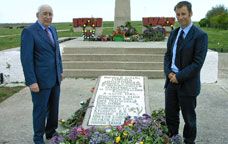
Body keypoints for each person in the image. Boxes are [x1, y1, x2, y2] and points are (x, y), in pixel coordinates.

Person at [164, 1, 208, 144]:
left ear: (190, 14)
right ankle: (173, 139)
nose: (180, 17)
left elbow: (197, 63)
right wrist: (169, 73)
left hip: (188, 84)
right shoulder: (174, 33)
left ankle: (189, 141)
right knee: (170, 116)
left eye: (183, 14)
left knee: (189, 119)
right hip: (171, 82)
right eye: (178, 14)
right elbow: (168, 55)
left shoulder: (200, 35)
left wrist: (179, 76)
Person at [20, 4, 63, 144]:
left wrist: (60, 70)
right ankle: (38, 138)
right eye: (45, 13)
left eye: (50, 14)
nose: (48, 17)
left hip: (55, 78)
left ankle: (51, 132)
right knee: (40, 110)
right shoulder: (29, 32)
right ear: (37, 15)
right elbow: (26, 59)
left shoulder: (53, 30)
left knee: (54, 107)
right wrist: (31, 81)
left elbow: (57, 53)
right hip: (40, 81)